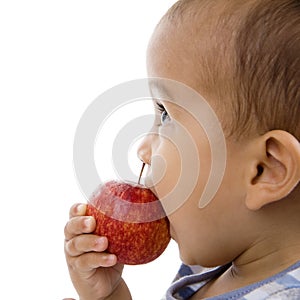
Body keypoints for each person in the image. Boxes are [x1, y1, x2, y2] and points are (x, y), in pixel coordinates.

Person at [64, 0, 300, 299]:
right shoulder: (211, 271)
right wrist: (108, 295)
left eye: (166, 115)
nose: (142, 150)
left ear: (264, 170)